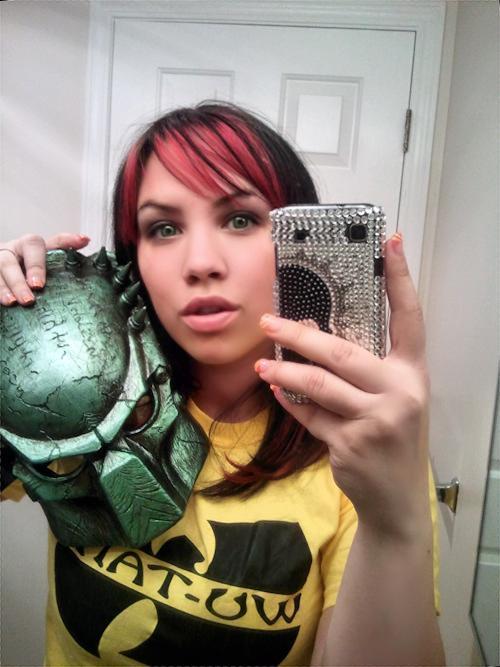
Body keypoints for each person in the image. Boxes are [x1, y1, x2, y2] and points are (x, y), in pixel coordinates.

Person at [0, 102, 445, 666]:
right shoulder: (76, 382)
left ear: (295, 243)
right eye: (163, 228)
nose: (200, 263)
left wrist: (393, 525)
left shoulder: (359, 447)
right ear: (135, 257)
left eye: (239, 219)